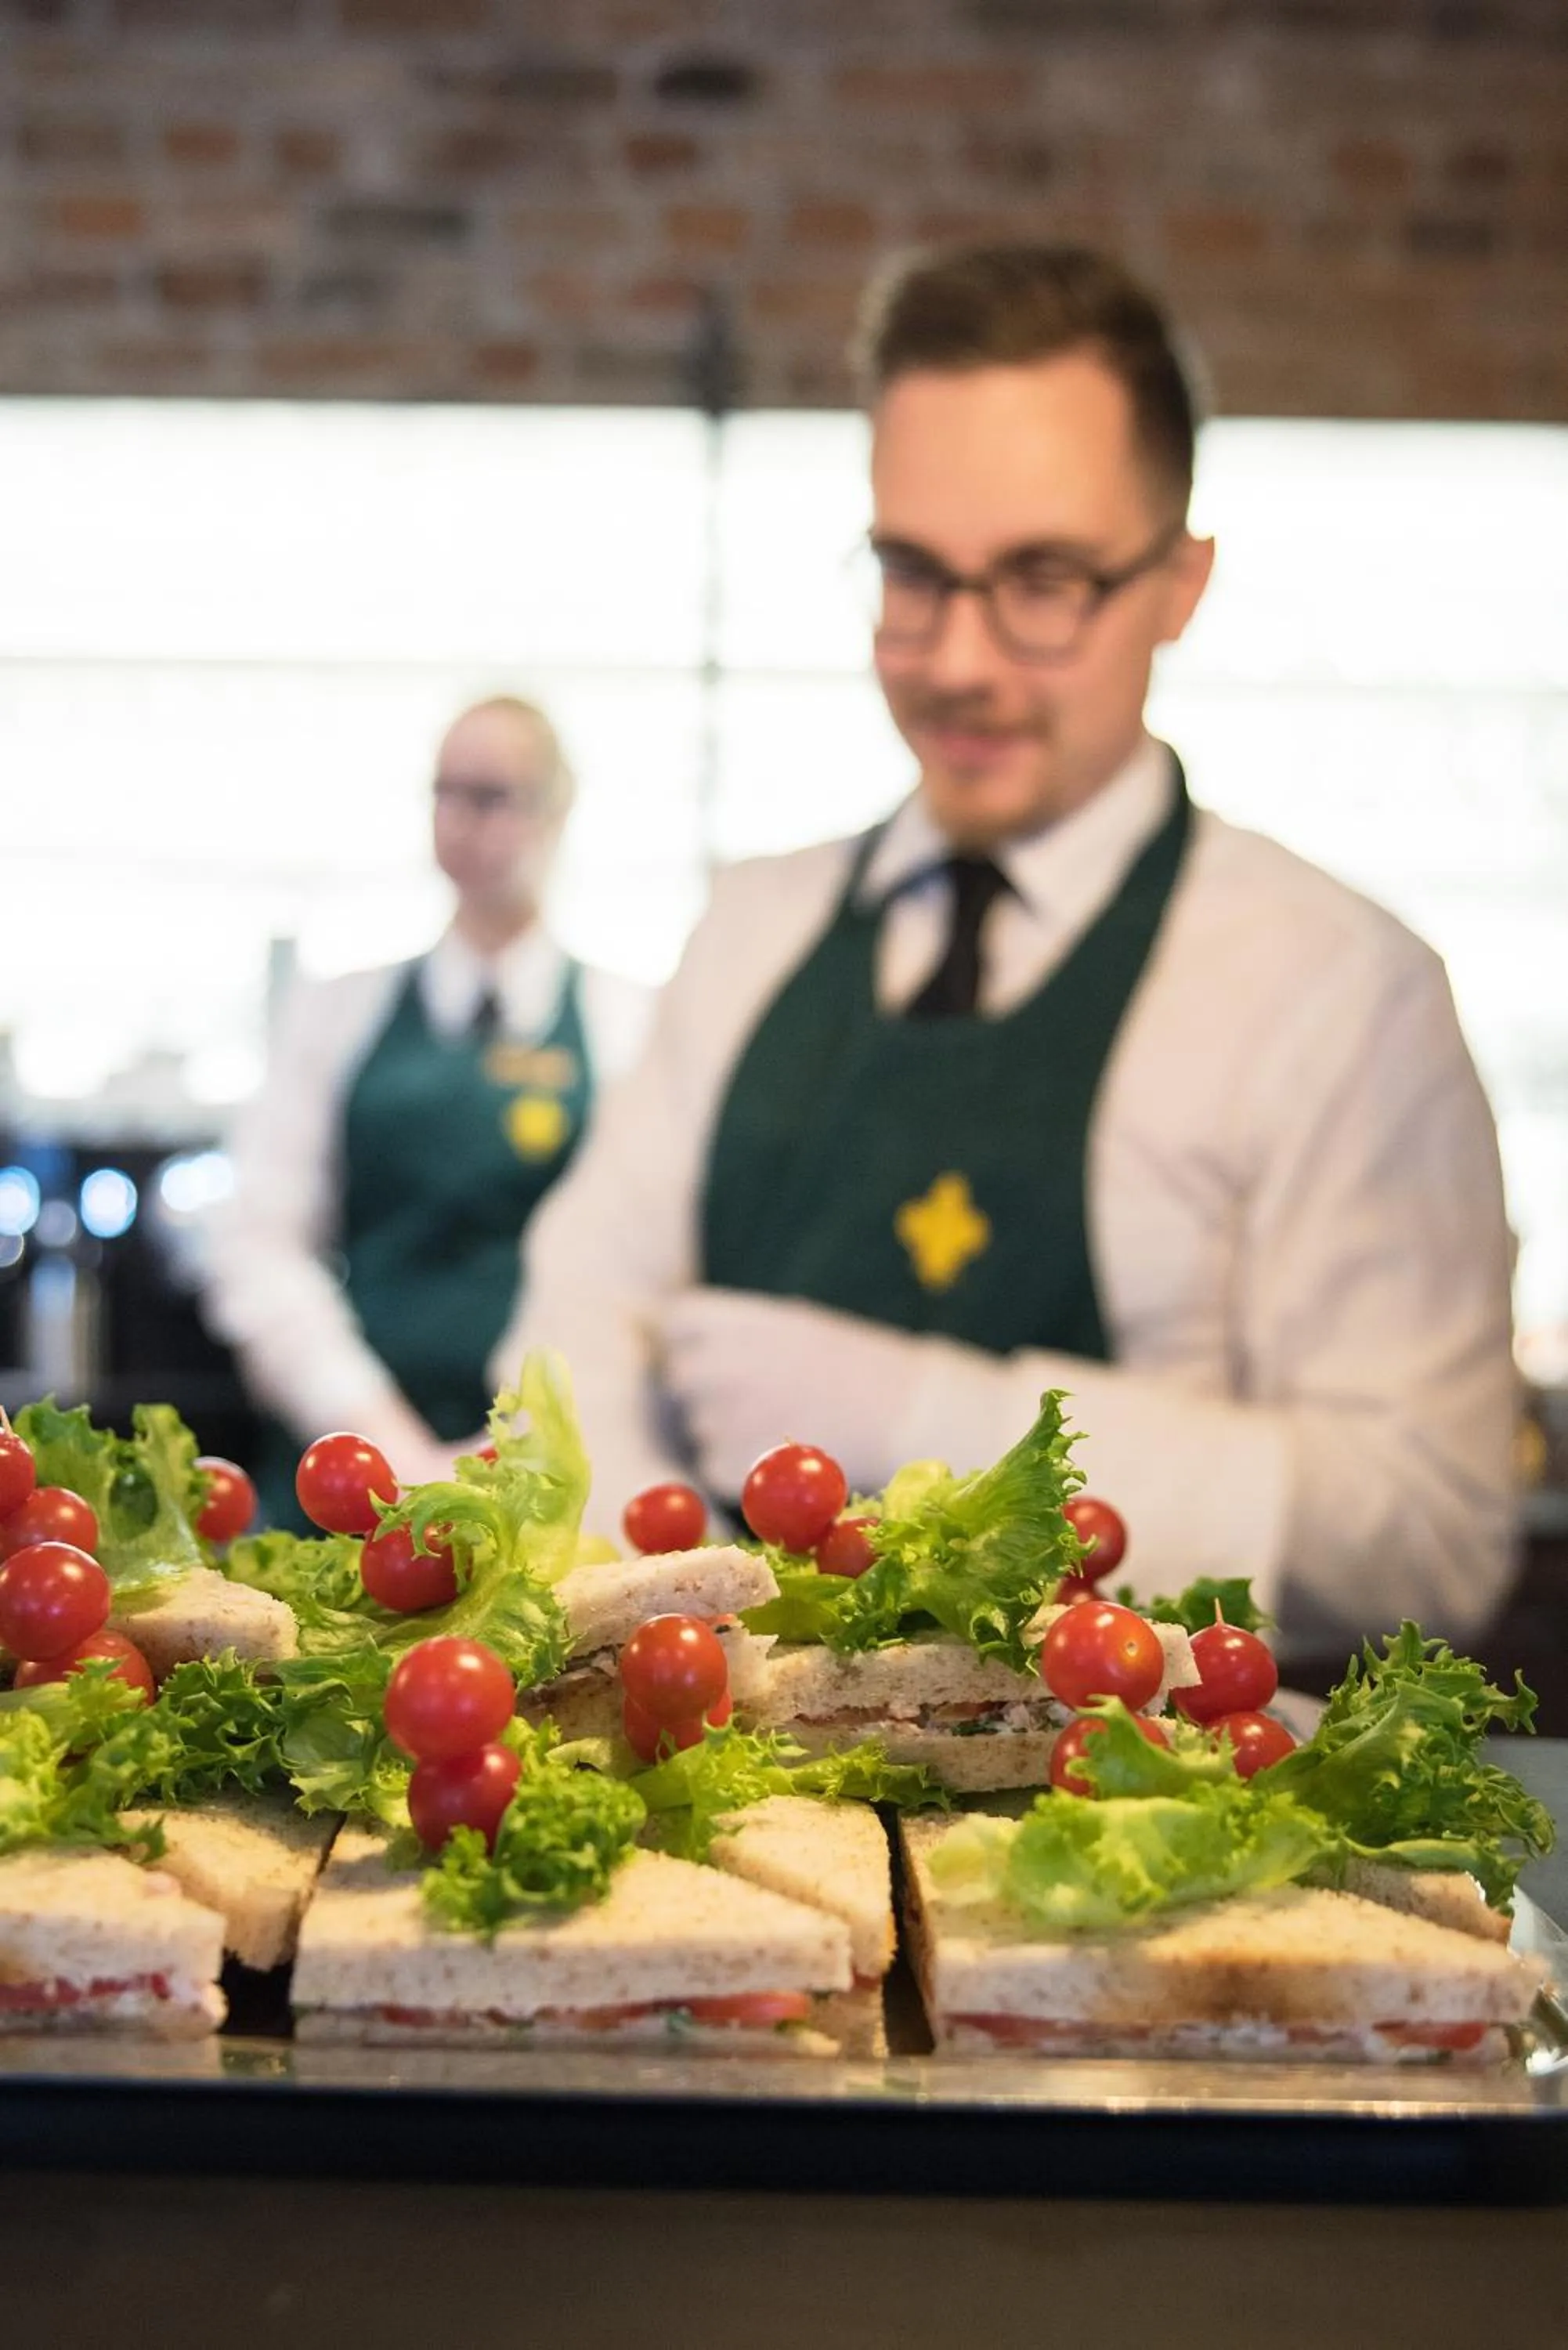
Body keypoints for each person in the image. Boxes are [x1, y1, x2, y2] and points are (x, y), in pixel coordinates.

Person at [509, 245, 1516, 1651]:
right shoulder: (752, 931)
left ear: (1180, 582)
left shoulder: (1338, 993)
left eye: (1042, 580)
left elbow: (1427, 1536)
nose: (961, 662)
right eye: (912, 573)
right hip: (749, 1812)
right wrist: (666, 1622)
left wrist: (924, 1417)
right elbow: (571, 1339)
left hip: (1125, 1826)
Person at [206, 694, 649, 1520]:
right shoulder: (335, 1010)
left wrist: (512, 1442)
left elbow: (637, 1267)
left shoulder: (630, 1024)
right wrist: (380, 1438)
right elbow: (258, 1243)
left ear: (559, 811)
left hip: (551, 1481)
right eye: (445, 793)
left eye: (493, 796)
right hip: (344, 1478)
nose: (461, 822)